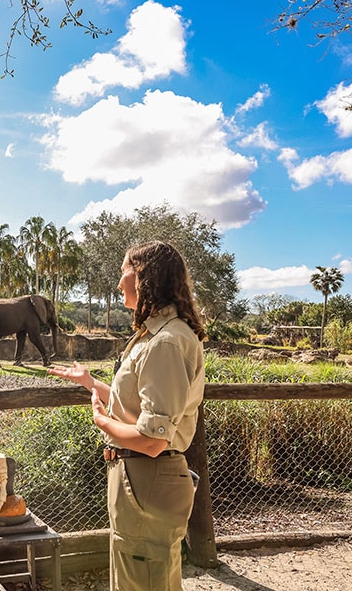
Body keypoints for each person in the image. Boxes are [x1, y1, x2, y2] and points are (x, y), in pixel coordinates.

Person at [48, 240, 206, 591]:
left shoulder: (165, 342)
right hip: (140, 478)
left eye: (125, 272)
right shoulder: (157, 337)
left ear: (145, 277)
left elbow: (152, 440)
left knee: (143, 580)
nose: (119, 283)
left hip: (147, 475)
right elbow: (139, 409)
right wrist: (90, 384)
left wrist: (102, 422)